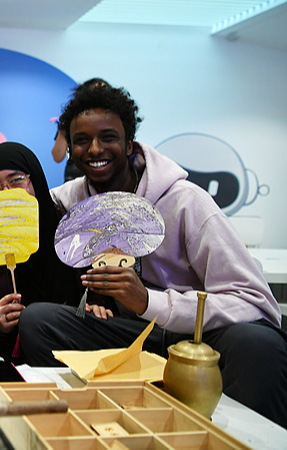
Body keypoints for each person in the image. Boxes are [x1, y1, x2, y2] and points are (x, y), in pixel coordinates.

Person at [18, 84, 287, 428]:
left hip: (194, 337)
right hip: (128, 336)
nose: (95, 149)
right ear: (69, 149)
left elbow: (256, 302)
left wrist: (150, 302)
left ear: (129, 144)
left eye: (108, 137)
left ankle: (233, 436)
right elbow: (26, 201)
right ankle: (91, 423)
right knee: (38, 321)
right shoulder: (72, 201)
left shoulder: (186, 202)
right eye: (82, 140)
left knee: (258, 344)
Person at [0, 142, 82, 364]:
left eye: (16, 180)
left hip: (73, 358)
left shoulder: (69, 231)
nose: (6, 192)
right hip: (10, 365)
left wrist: (94, 303)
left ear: (34, 179)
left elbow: (93, 292)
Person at [51, 78, 110, 182]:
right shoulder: (73, 123)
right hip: (76, 181)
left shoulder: (114, 122)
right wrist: (63, 128)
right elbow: (57, 156)